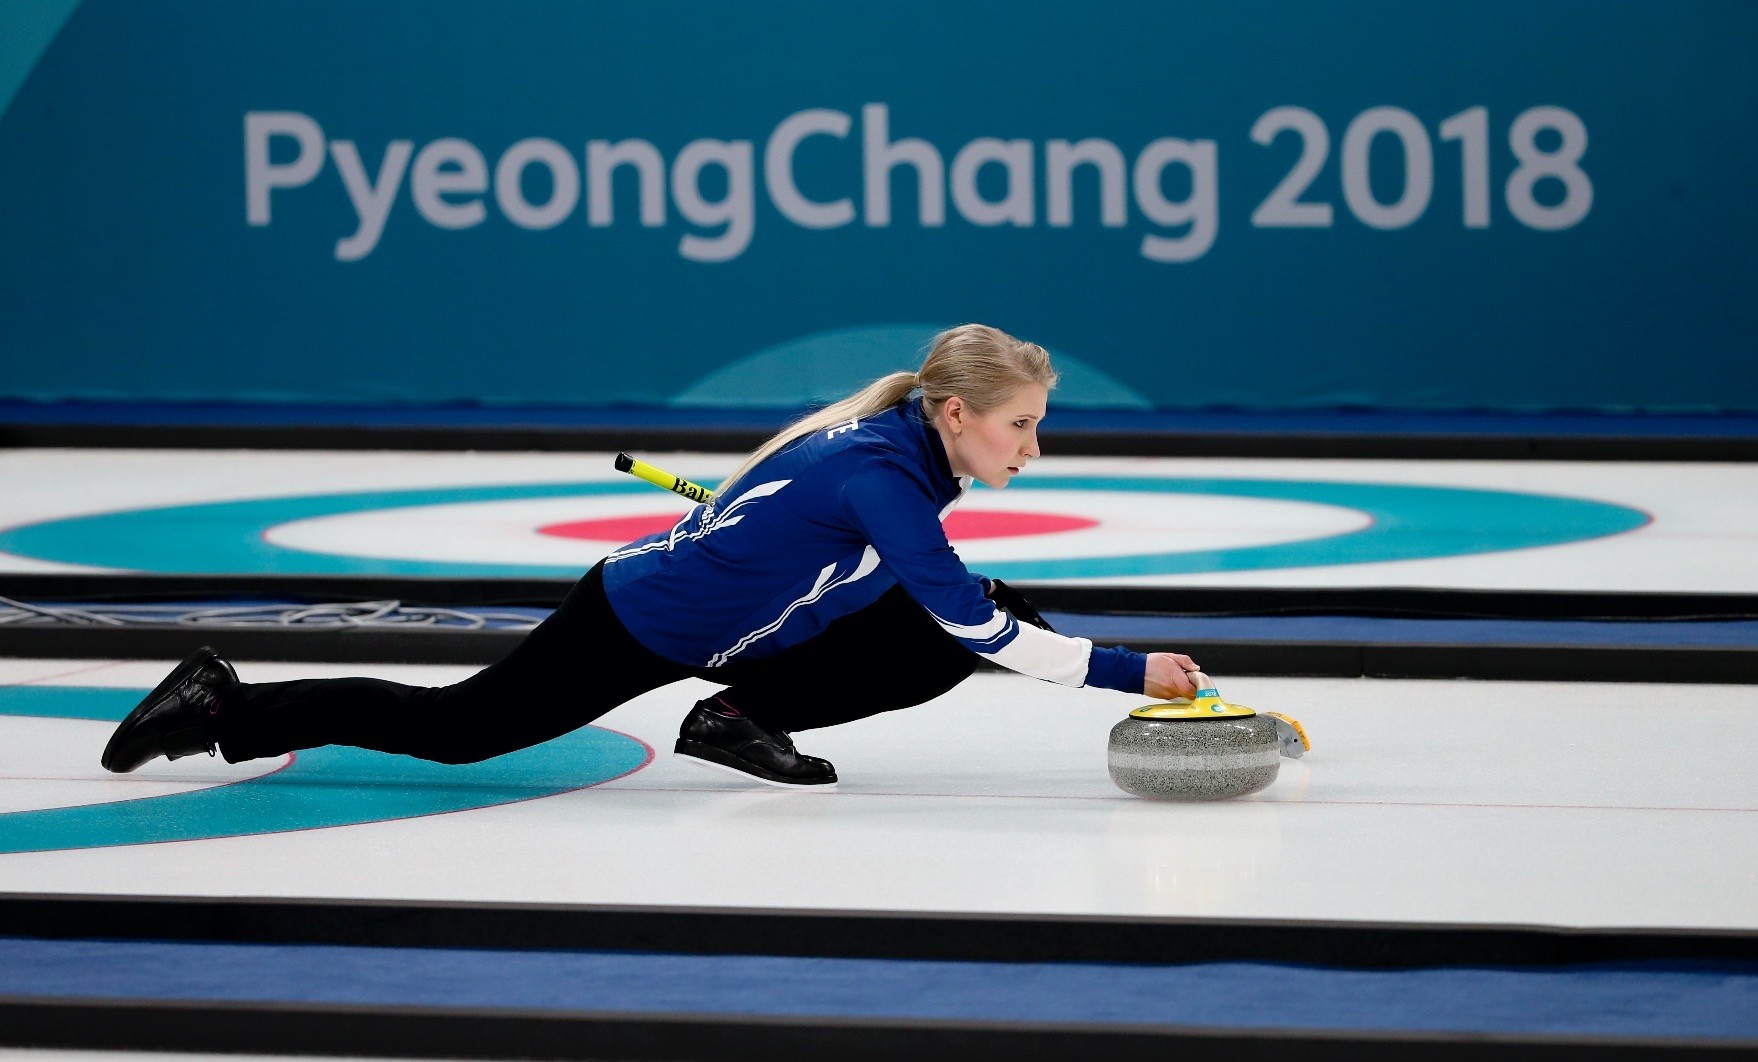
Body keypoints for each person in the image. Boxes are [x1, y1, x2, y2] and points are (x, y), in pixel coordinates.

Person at [101, 324, 1204, 789]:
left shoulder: (901, 451)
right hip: (640, 624)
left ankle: (736, 717)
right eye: (1021, 427)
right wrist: (1120, 670)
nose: (1034, 447)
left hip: (731, 628)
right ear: (958, 412)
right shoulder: (881, 473)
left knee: (965, 614)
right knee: (457, 733)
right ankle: (221, 707)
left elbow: (929, 594)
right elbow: (965, 618)